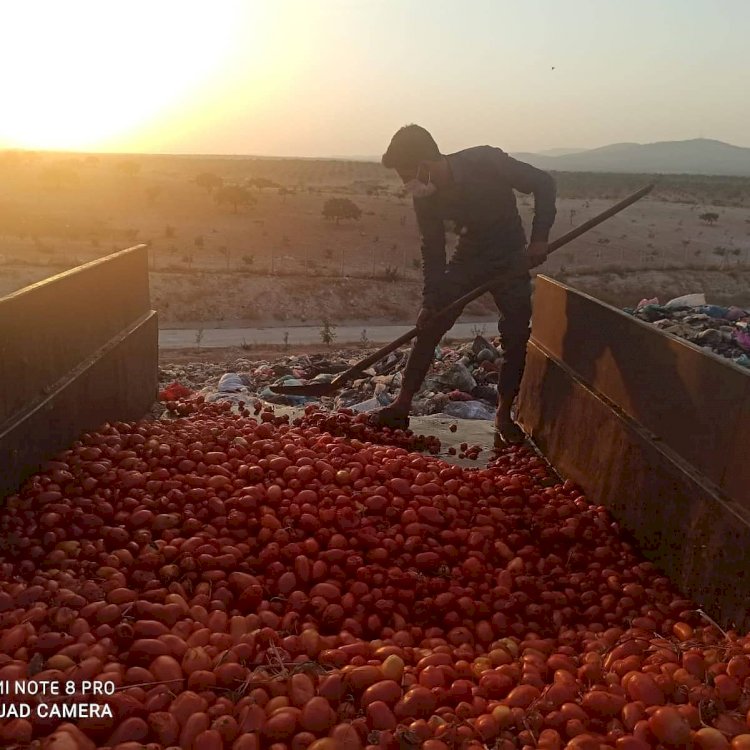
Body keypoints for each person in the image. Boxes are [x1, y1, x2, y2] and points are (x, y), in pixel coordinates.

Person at [371, 124, 557, 445]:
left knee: (515, 335)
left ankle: (503, 414)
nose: (406, 183)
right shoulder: (426, 197)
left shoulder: (485, 161)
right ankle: (402, 403)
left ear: (425, 165)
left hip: (510, 256)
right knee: (430, 325)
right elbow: (432, 249)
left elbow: (544, 183)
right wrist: (431, 300)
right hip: (468, 258)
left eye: (406, 174)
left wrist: (539, 239)